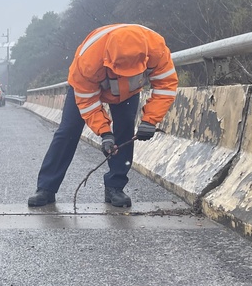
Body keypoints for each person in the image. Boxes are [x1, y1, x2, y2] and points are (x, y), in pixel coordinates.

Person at [27, 23, 178, 208]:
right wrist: (105, 133)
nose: (123, 75)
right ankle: (46, 188)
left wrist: (150, 120)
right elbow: (88, 103)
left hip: (129, 92)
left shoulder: (156, 49)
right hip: (90, 87)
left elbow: (166, 86)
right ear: (109, 59)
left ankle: (115, 187)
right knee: (68, 131)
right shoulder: (88, 61)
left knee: (125, 128)